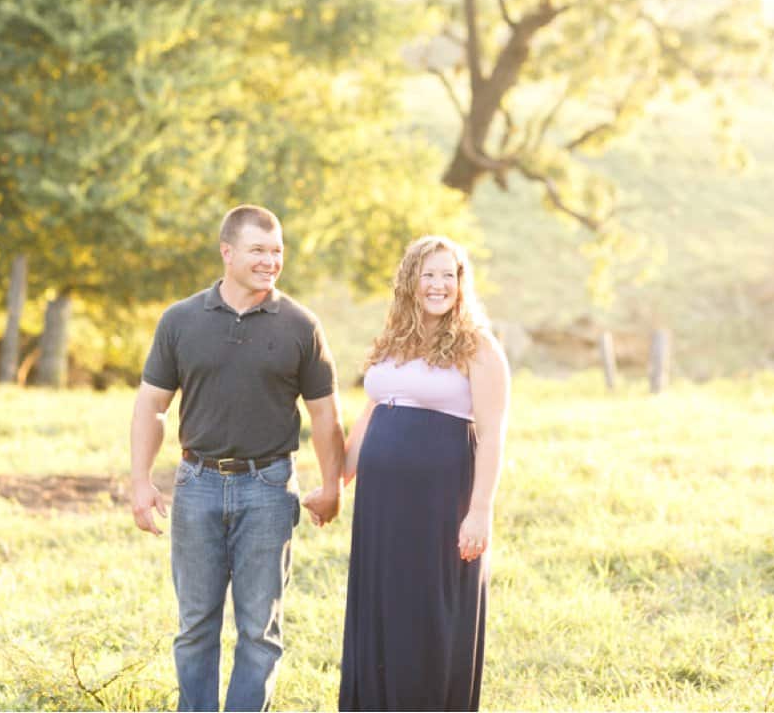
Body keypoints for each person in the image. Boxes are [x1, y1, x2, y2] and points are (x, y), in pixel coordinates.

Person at [129, 204, 345, 712]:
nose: (271, 261)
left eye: (277, 251)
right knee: (195, 625)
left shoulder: (301, 325)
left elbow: (326, 417)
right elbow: (151, 407)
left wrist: (333, 485)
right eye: (258, 250)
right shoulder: (180, 320)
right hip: (197, 485)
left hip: (269, 489)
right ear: (227, 252)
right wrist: (140, 480)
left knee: (260, 630)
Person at [327, 235, 510, 712]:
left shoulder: (478, 347)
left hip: (441, 506)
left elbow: (491, 435)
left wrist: (480, 512)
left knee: (430, 615)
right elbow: (373, 414)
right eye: (429, 274)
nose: (439, 284)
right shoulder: (394, 341)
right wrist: (335, 485)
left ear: (461, 284)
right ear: (410, 281)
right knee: (383, 612)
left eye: (449, 275)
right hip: (381, 508)